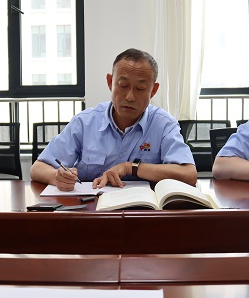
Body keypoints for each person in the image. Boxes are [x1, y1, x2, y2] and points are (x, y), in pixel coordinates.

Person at [30, 48, 197, 191]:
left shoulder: (164, 124)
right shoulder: (85, 122)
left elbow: (189, 174)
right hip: (91, 210)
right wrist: (57, 177)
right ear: (110, 82)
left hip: (143, 212)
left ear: (153, 90)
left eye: (140, 88)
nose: (130, 97)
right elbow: (37, 168)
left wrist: (131, 167)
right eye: (123, 85)